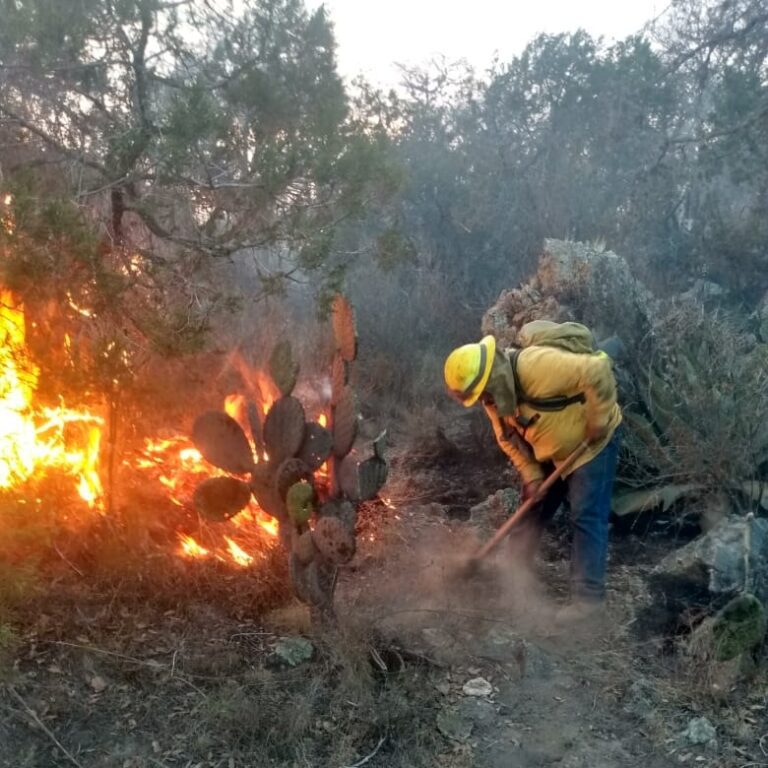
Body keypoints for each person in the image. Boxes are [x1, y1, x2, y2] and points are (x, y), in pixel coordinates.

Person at [443, 325, 622, 623]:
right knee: (532, 507)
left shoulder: (536, 367)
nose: (483, 401)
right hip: (551, 449)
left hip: (590, 445)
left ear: (489, 378)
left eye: (482, 393)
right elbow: (507, 439)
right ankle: (512, 571)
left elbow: (597, 369)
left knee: (586, 515)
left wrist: (599, 419)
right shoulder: (495, 397)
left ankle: (588, 601)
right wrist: (532, 476)